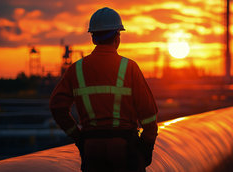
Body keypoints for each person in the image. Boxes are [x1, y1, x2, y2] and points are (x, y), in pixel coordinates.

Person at [49, 7, 158, 172]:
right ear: (117, 37)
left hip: (92, 148)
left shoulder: (76, 69)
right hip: (125, 147)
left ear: (93, 38)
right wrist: (146, 148)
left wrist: (78, 138)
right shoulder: (129, 68)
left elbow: (57, 107)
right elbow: (149, 115)